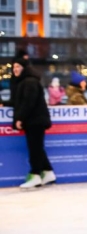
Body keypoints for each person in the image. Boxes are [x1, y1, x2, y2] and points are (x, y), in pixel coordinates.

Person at [11, 55, 56, 190]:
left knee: (34, 149)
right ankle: (48, 172)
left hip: (35, 120)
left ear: (25, 68)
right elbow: (19, 101)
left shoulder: (29, 82)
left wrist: (20, 118)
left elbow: (28, 102)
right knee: (37, 148)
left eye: (18, 67)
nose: (15, 69)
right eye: (14, 67)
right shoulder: (25, 81)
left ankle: (35, 175)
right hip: (35, 120)